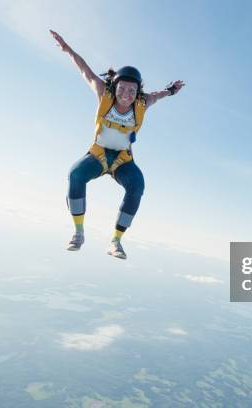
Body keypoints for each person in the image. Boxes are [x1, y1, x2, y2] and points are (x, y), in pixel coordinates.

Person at [50, 30, 185, 260]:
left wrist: (171, 91)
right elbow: (85, 70)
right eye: (122, 88)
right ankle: (78, 232)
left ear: (137, 92)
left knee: (137, 186)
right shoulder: (104, 94)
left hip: (122, 160)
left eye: (132, 90)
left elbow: (158, 95)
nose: (126, 94)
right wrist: (68, 50)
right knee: (75, 174)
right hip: (98, 155)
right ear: (115, 85)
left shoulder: (142, 103)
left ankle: (116, 241)